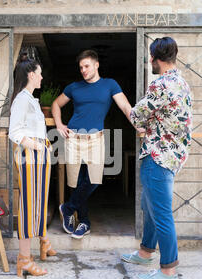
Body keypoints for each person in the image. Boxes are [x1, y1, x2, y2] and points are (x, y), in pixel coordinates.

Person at [121, 37, 192, 279]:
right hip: (173, 155)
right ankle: (145, 252)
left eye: (150, 57)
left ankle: (168, 270)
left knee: (161, 213)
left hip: (157, 155)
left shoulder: (160, 84)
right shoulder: (182, 83)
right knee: (148, 205)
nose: (149, 61)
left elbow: (137, 117)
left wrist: (130, 110)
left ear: (155, 58)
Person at [52, 49, 138, 239]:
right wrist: (59, 124)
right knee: (76, 182)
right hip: (73, 138)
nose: (83, 70)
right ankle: (84, 223)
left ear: (96, 65)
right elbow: (56, 104)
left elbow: (125, 107)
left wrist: (138, 126)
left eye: (87, 66)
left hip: (96, 139)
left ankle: (67, 208)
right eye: (81, 67)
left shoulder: (110, 85)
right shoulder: (74, 87)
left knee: (94, 180)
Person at [8, 54, 57, 277]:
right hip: (30, 158)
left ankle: (43, 241)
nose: (41, 77)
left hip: (37, 158)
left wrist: (44, 147)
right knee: (29, 207)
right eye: (39, 73)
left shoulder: (30, 99)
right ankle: (24, 260)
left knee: (38, 203)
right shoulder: (21, 100)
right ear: (31, 74)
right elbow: (15, 133)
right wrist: (39, 147)